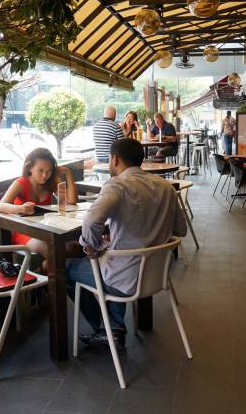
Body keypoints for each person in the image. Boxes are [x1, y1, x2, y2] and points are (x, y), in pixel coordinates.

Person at [67, 138, 187, 348]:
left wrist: (91, 247)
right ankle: (114, 326)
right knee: (113, 261)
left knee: (69, 269)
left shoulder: (117, 186)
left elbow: (92, 221)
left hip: (124, 280)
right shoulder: (166, 187)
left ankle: (108, 328)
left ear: (114, 159)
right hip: (156, 276)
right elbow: (180, 230)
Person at [0, 147, 80, 272]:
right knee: (55, 253)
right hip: (24, 232)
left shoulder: (50, 182)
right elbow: (1, 206)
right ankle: (44, 278)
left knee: (76, 248)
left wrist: (67, 173)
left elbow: (70, 202)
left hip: (45, 230)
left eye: (49, 170)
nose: (45, 175)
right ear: (30, 168)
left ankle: (40, 272)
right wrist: (20, 208)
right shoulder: (21, 183)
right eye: (40, 170)